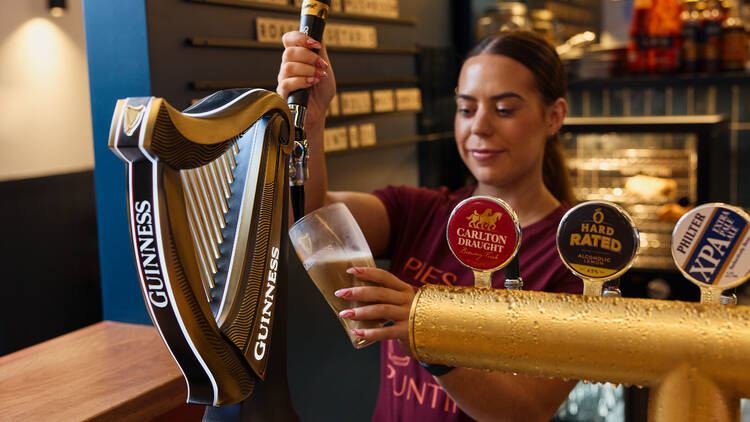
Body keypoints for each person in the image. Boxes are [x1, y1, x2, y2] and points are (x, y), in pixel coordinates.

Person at [277, 29, 582, 421]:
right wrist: (312, 121)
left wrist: (425, 330)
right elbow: (308, 218)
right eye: (467, 109)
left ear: (554, 116)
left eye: (504, 109)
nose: (480, 127)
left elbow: (524, 411)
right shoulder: (422, 212)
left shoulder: (572, 262)